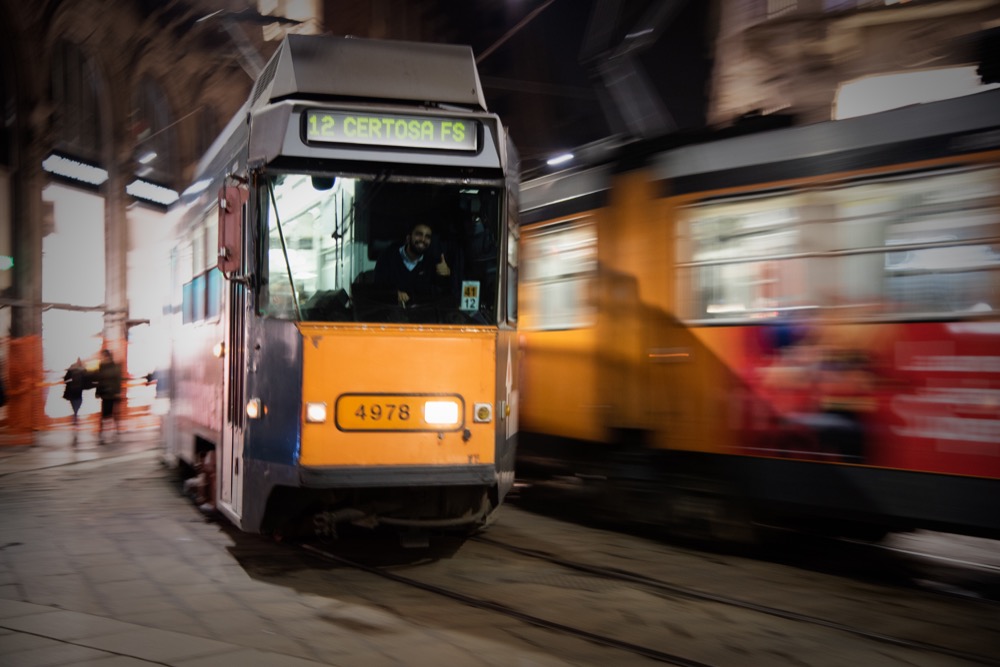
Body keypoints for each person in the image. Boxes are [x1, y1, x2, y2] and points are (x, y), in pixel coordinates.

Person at [374, 222, 451, 307]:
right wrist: (394, 294)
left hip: (422, 315)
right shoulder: (387, 257)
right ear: (408, 238)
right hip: (391, 312)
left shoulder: (432, 263)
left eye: (427, 237)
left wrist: (444, 276)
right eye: (419, 234)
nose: (423, 239)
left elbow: (440, 295)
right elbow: (378, 288)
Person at [95, 349, 123, 442]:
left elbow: (117, 380)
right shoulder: (101, 366)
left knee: (112, 414)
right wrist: (98, 392)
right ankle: (104, 434)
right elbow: (99, 380)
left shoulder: (114, 366)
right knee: (105, 414)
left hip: (113, 394)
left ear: (108, 356)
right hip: (105, 394)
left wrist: (118, 392)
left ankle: (113, 433)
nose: (103, 358)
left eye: (104, 356)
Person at [62, 358, 87, 428]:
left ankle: (75, 414)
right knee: (78, 401)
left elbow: (66, 378)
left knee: (75, 402)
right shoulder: (82, 368)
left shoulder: (73, 367)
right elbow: (86, 376)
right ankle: (75, 414)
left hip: (73, 388)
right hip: (78, 388)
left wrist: (68, 381)